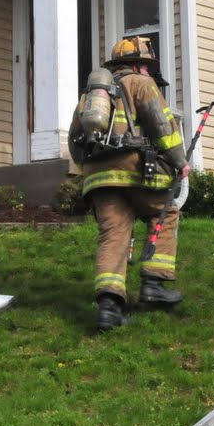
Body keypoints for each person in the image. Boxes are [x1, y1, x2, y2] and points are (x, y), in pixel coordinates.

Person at [68, 35, 190, 332]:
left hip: (98, 178)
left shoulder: (90, 96)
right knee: (165, 212)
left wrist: (89, 169)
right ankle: (154, 283)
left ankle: (109, 309)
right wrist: (180, 161)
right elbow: (162, 125)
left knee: (114, 234)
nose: (149, 71)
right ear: (137, 65)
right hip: (135, 170)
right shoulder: (141, 83)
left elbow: (74, 140)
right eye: (147, 66)